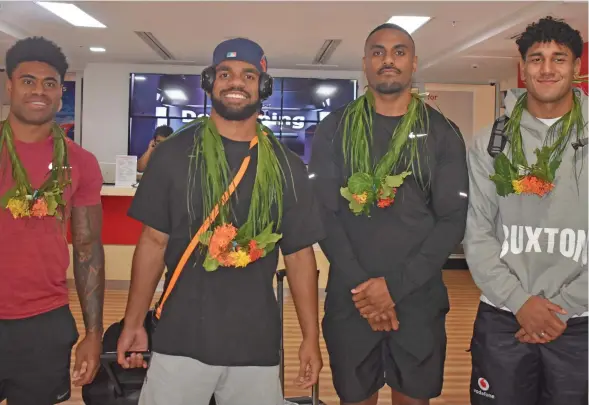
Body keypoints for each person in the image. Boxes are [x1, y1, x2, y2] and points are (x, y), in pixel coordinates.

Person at [116, 38, 324, 405]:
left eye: (248, 75)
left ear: (264, 86)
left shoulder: (286, 166)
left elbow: (299, 256)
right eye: (225, 73)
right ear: (210, 81)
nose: (236, 82)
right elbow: (152, 242)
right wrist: (133, 322)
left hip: (255, 344)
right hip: (179, 338)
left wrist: (310, 337)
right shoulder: (173, 154)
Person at [308, 23, 469, 405]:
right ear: (365, 63)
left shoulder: (442, 131)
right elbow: (324, 213)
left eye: (399, 52)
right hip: (352, 296)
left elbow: (452, 220)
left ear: (414, 63)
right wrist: (368, 290)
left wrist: (393, 289)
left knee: (413, 397)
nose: (388, 60)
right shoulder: (335, 128)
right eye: (378, 52)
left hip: (418, 297)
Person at [464, 16, 587, 405]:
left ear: (578, 67)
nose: (547, 69)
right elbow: (477, 233)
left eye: (559, 58)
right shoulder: (489, 142)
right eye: (536, 59)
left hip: (582, 321)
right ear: (523, 68)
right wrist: (520, 303)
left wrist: (561, 310)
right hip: (504, 317)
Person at [0, 37, 105, 404]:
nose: (38, 91)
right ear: (9, 84)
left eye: (49, 83)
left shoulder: (78, 161)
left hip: (43, 324)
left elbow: (88, 247)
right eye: (28, 80)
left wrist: (95, 333)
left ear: (61, 91)